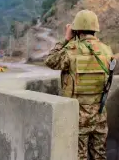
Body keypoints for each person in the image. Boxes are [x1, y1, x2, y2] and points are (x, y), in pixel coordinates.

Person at [45, 9, 114, 160]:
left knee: (79, 156)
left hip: (77, 116)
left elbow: (50, 60)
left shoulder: (71, 51)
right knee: (99, 155)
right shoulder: (107, 50)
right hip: (99, 115)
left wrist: (66, 39)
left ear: (77, 29)